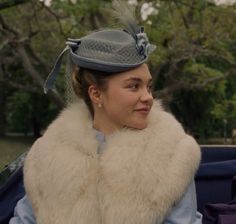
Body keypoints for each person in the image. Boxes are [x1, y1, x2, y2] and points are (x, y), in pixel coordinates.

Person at [10, 1, 202, 223]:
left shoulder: (173, 153)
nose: (148, 97)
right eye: (133, 86)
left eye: (148, 86)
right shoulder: (47, 154)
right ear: (96, 94)